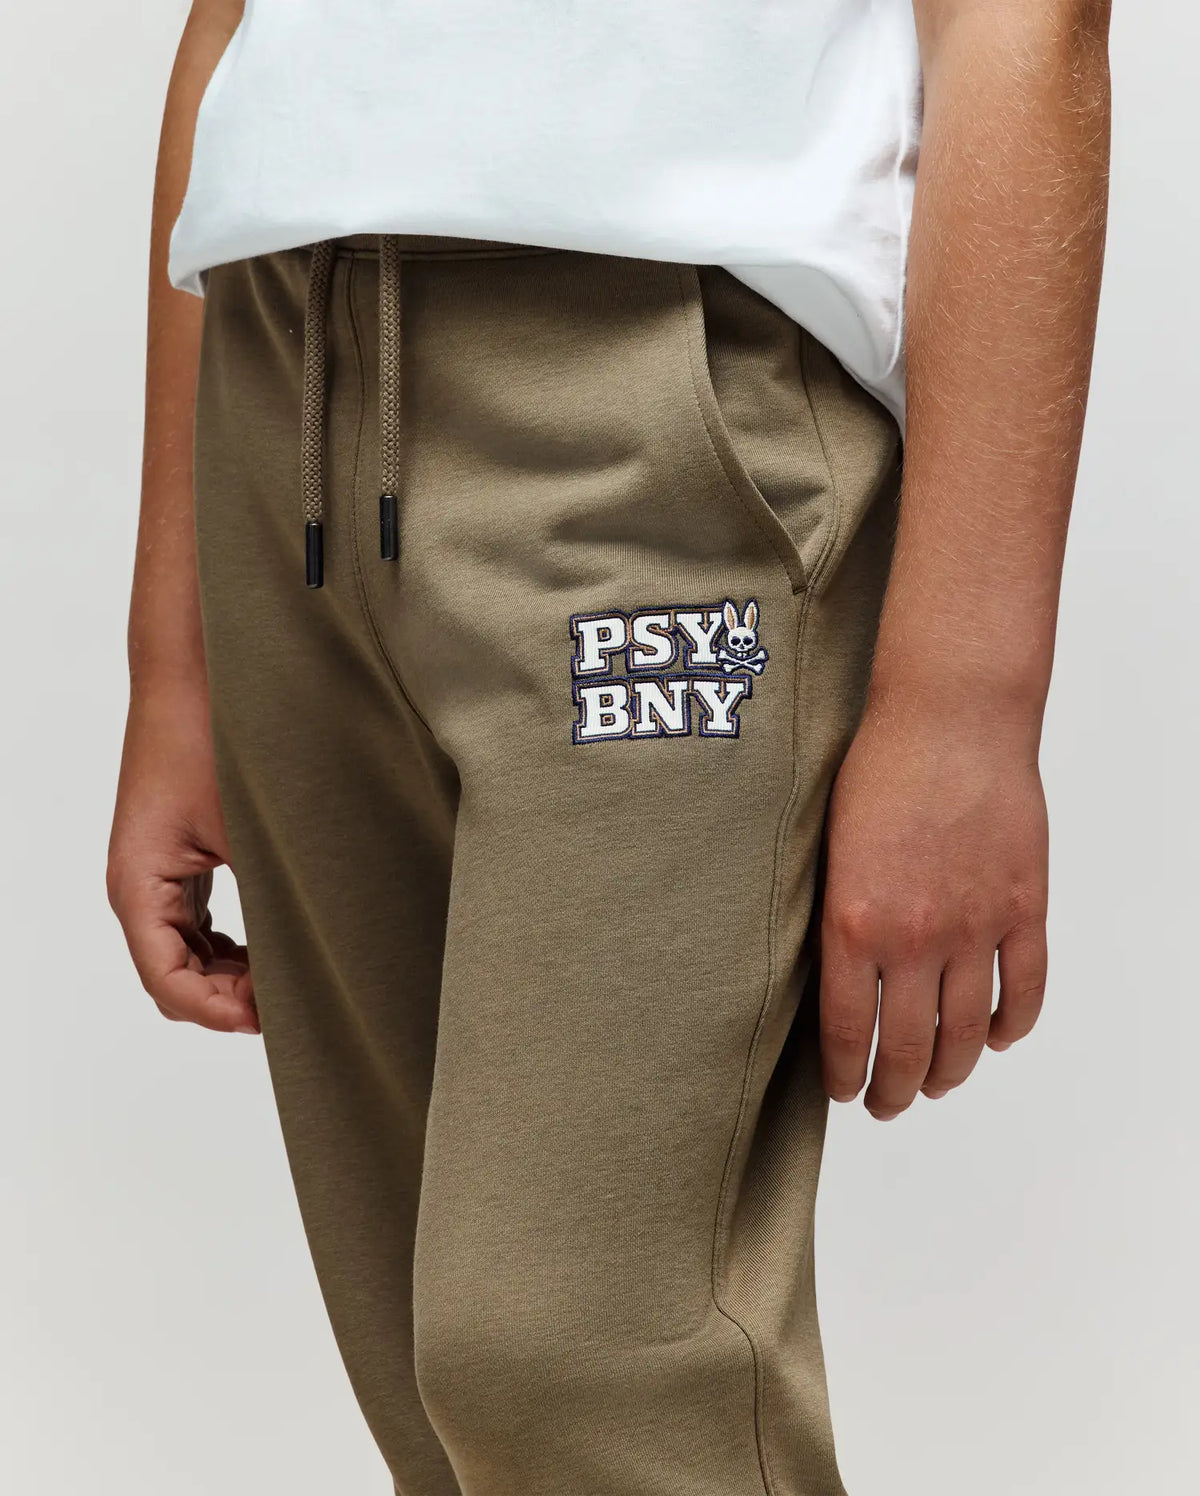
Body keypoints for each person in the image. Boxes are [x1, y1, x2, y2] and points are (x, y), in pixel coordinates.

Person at [107, 2, 1111, 1491]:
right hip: (282, 393)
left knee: (580, 1364)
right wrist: (176, 656)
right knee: (439, 1405)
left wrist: (967, 703)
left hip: (660, 417)